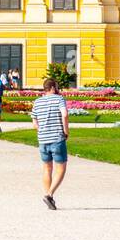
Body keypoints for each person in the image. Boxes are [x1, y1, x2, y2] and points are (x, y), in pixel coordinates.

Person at [30, 78, 70, 210]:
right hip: (57, 138)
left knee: (47, 169)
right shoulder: (59, 99)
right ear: (52, 87)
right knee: (61, 168)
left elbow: (34, 123)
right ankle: (49, 194)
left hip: (42, 140)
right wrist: (66, 131)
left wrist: (42, 130)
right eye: (56, 87)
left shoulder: (37, 101)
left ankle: (49, 199)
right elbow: (64, 115)